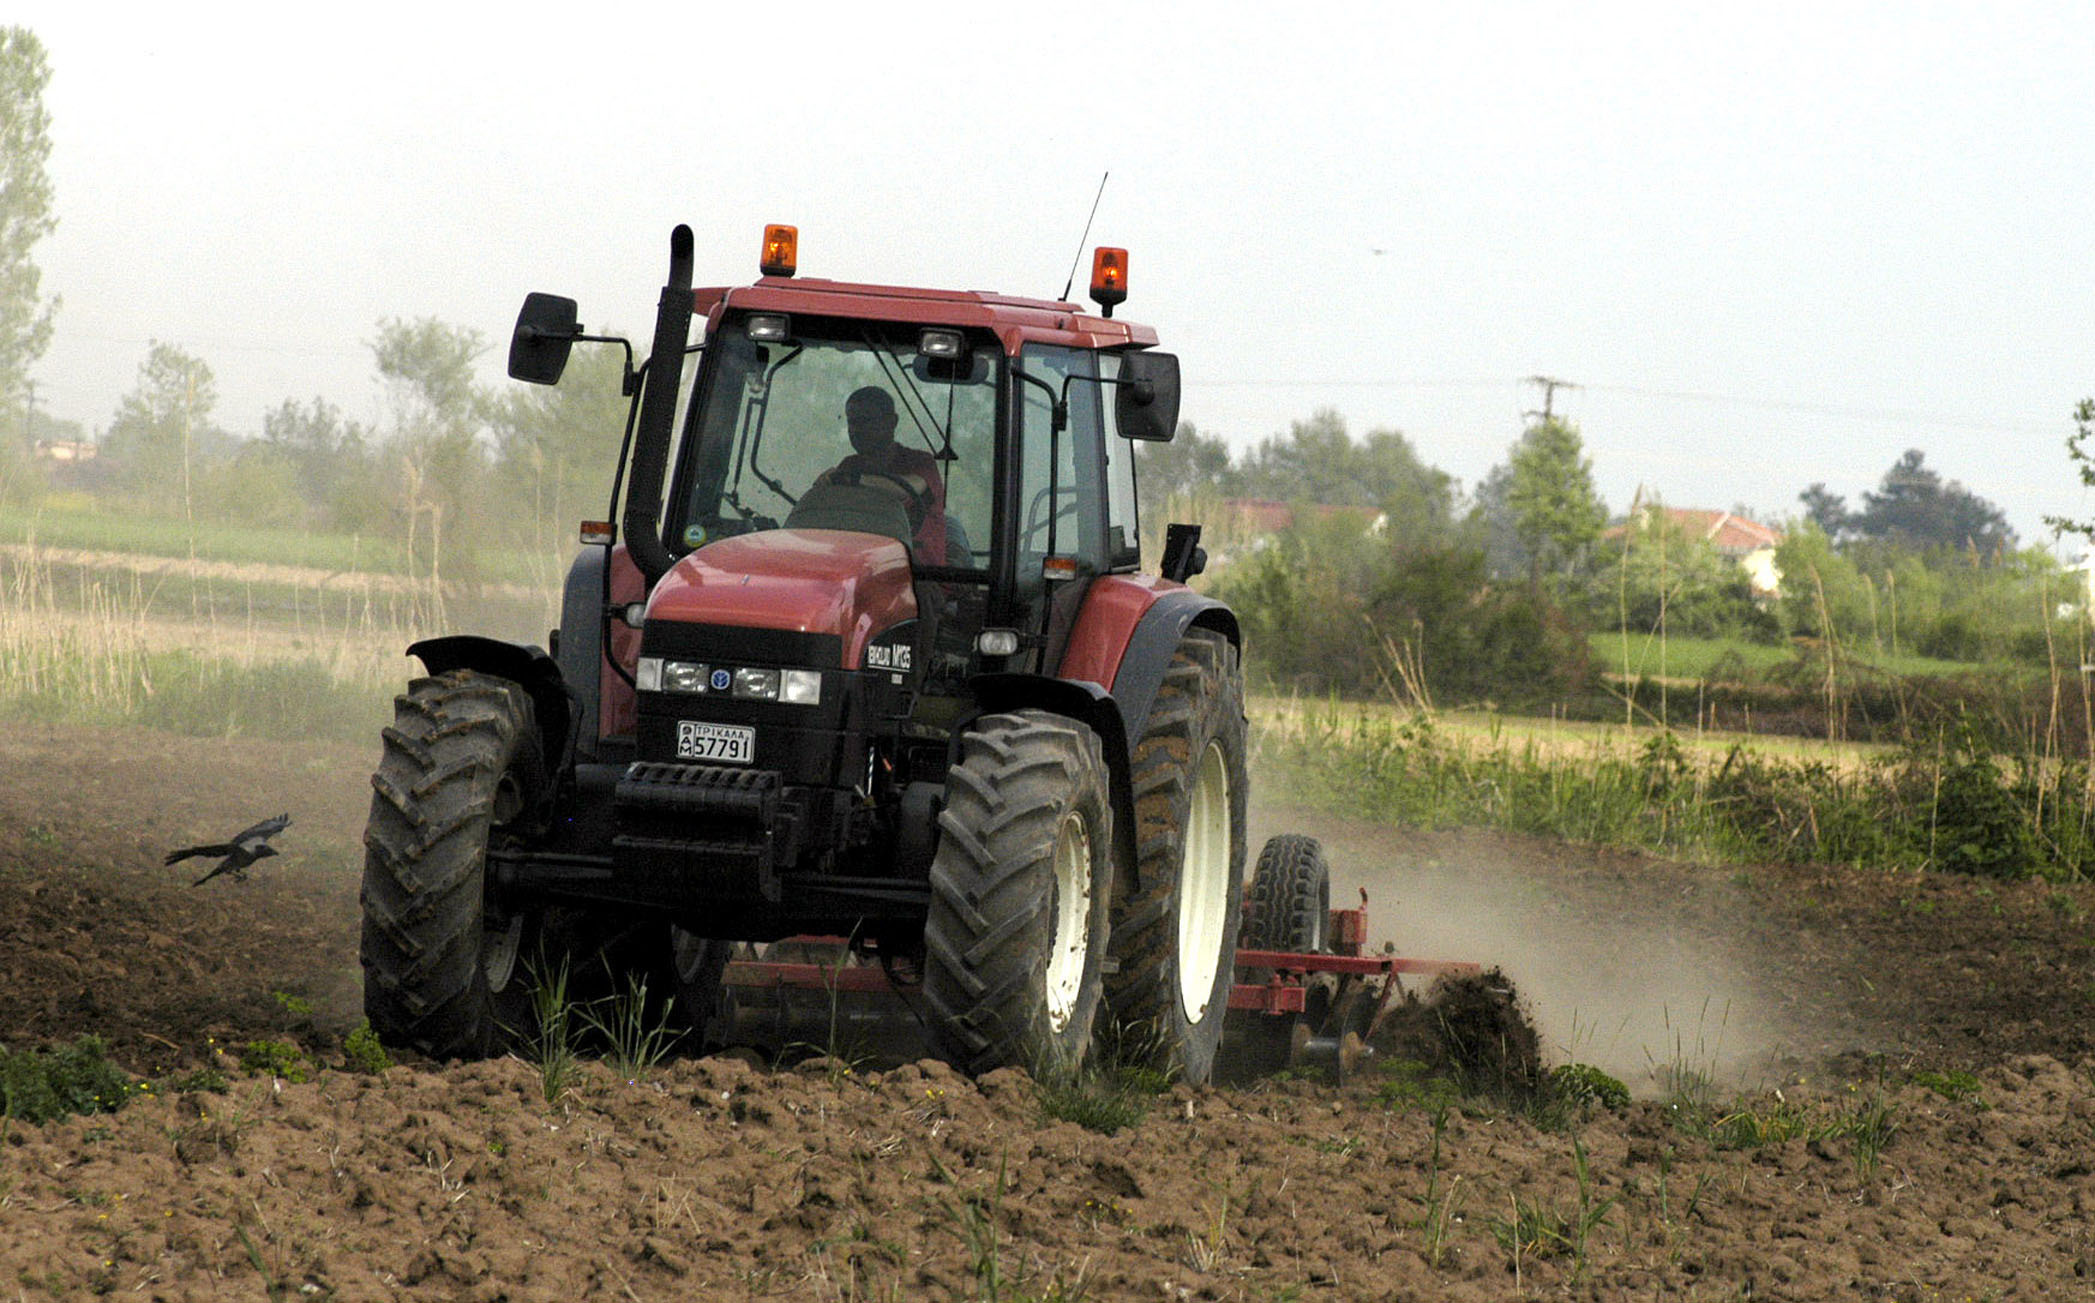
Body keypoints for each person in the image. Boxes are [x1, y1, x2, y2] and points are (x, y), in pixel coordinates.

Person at [816, 386, 947, 564]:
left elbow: (910, 488)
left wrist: (856, 480)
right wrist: (823, 488)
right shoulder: (849, 466)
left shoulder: (921, 462)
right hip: (865, 567)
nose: (856, 430)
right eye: (852, 422)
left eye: (865, 421)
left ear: (892, 422)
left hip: (920, 575)